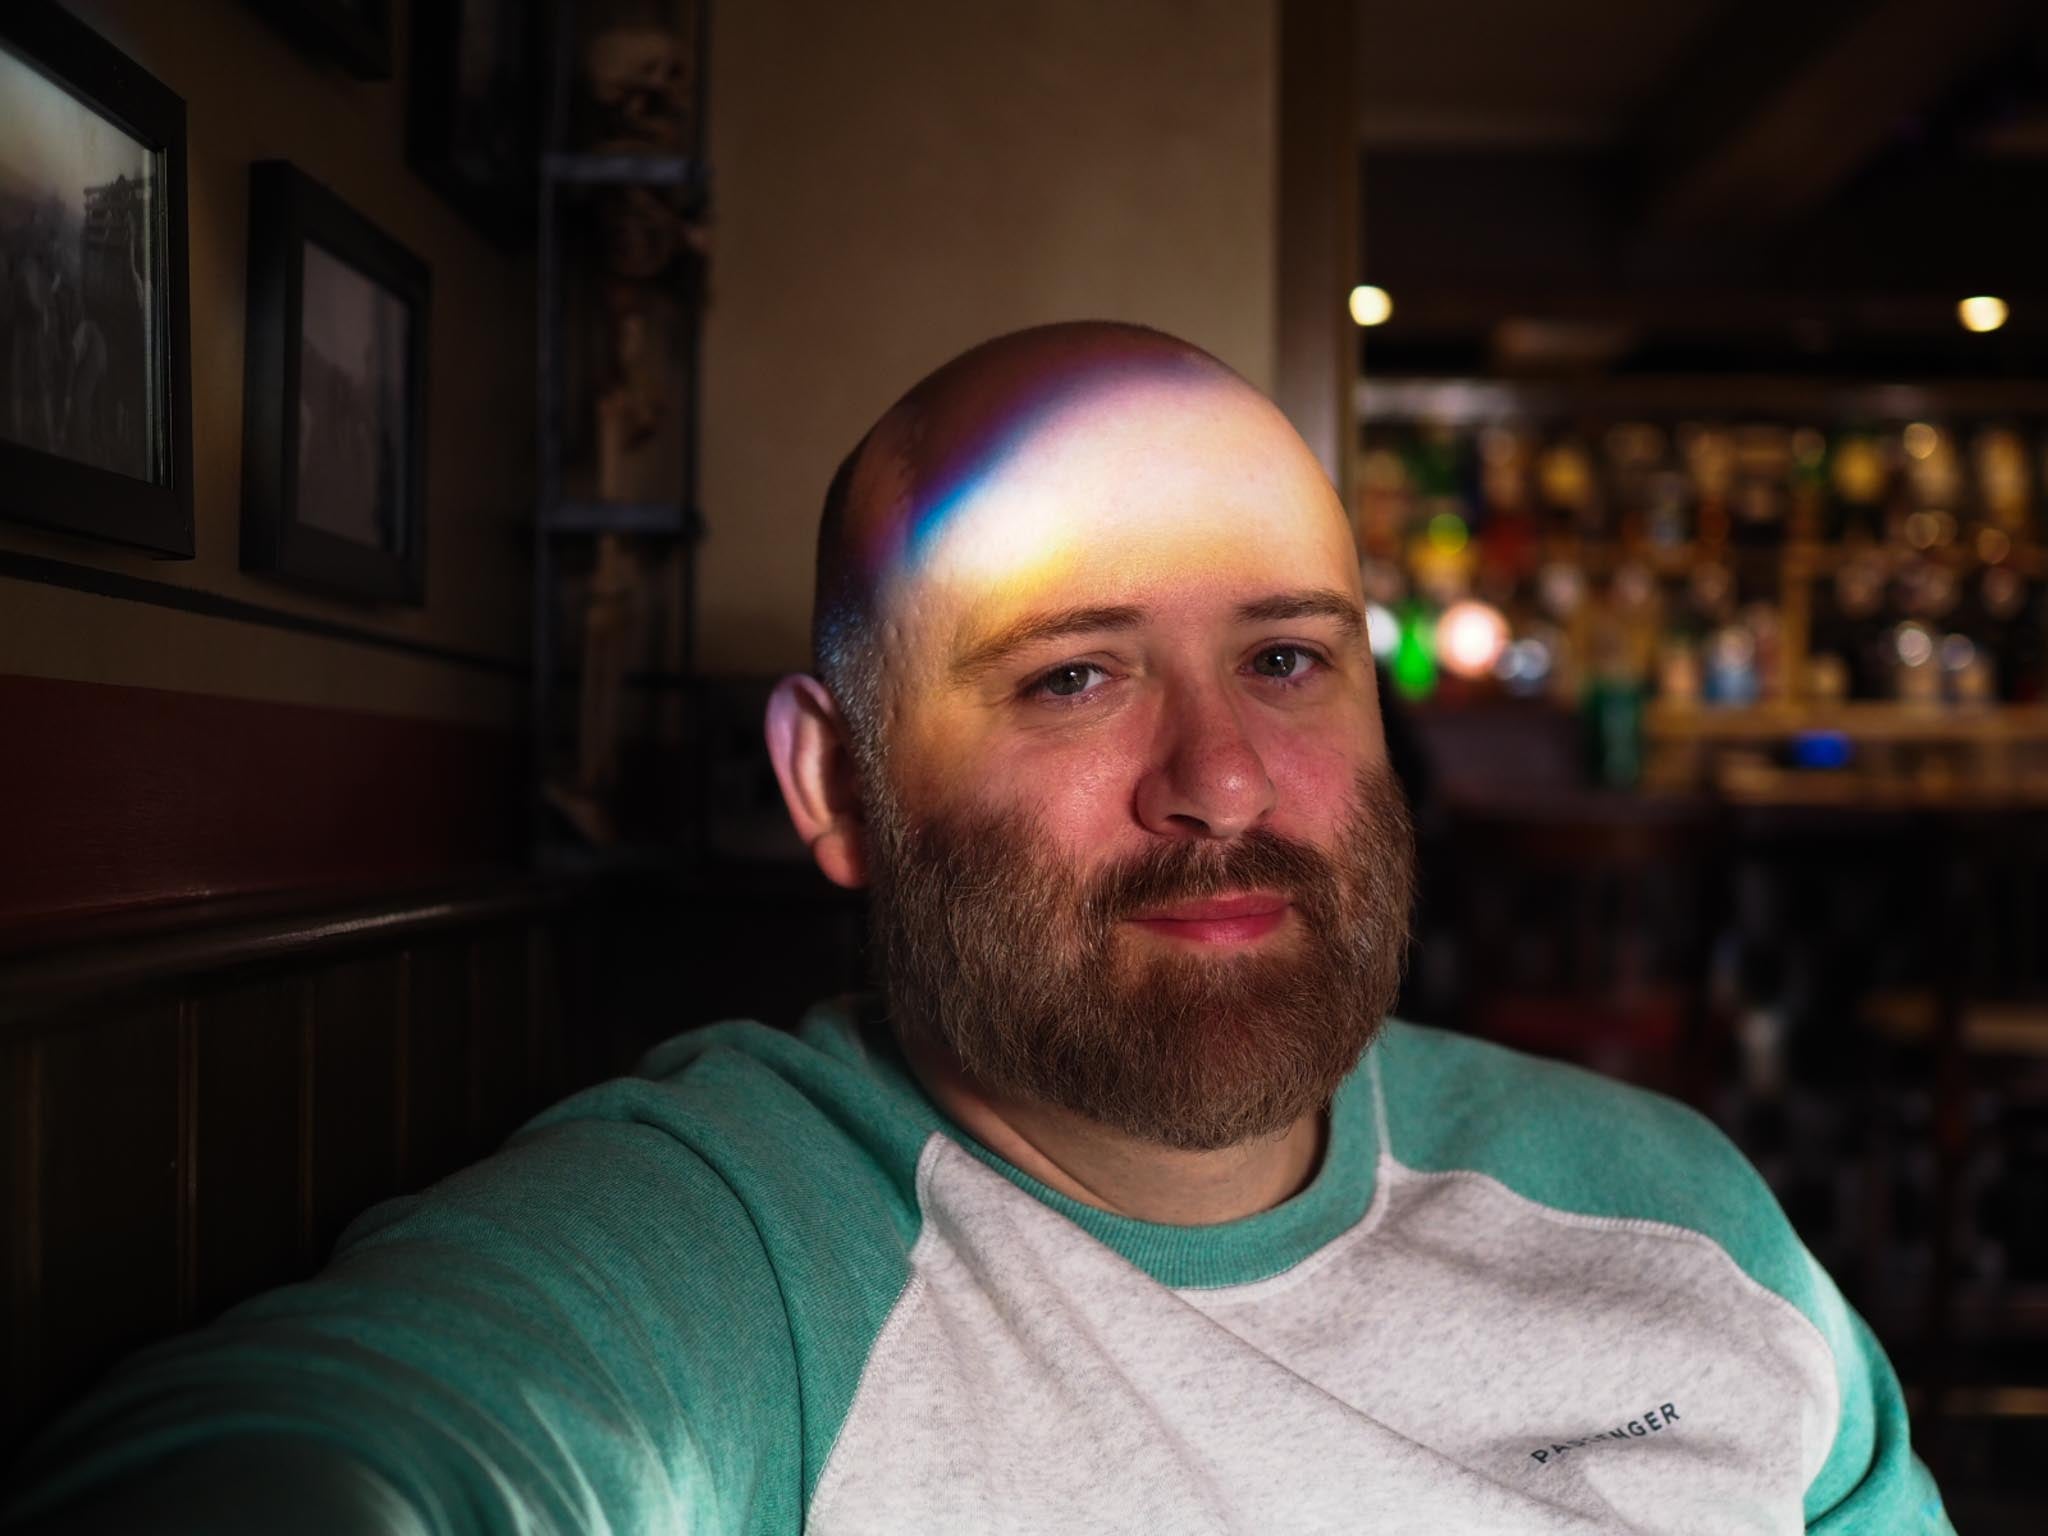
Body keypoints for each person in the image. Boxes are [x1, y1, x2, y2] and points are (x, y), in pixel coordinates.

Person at [5, 322, 1948, 1534]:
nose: (1224, 781)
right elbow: (333, 1442)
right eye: (1073, 681)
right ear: (833, 785)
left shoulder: (1678, 1210)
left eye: (1285, 656)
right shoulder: (726, 1266)